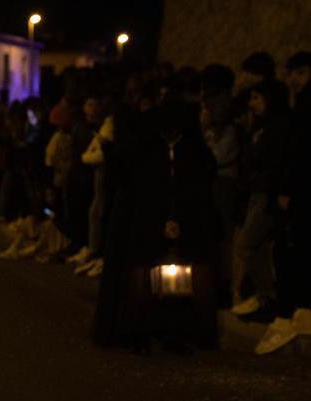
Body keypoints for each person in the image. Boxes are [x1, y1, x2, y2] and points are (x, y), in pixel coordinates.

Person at [93, 99, 219, 352]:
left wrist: (176, 218)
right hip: (145, 222)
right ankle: (142, 329)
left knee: (184, 279)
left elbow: (196, 188)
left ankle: (180, 331)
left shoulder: (191, 151)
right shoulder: (145, 149)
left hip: (182, 222)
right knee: (141, 276)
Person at [257, 51, 311, 353]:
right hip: (299, 190)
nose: (294, 79)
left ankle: (291, 314)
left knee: (291, 251)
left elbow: (299, 151)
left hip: (299, 192)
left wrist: (287, 188)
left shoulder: (304, 107)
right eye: (292, 72)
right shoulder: (299, 105)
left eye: (300, 73)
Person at [231, 79, 290, 322]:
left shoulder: (278, 127)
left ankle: (268, 296)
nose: (252, 104)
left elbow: (271, 161)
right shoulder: (260, 127)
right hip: (257, 192)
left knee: (247, 245)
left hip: (267, 192)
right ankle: (266, 297)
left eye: (257, 98)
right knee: (256, 246)